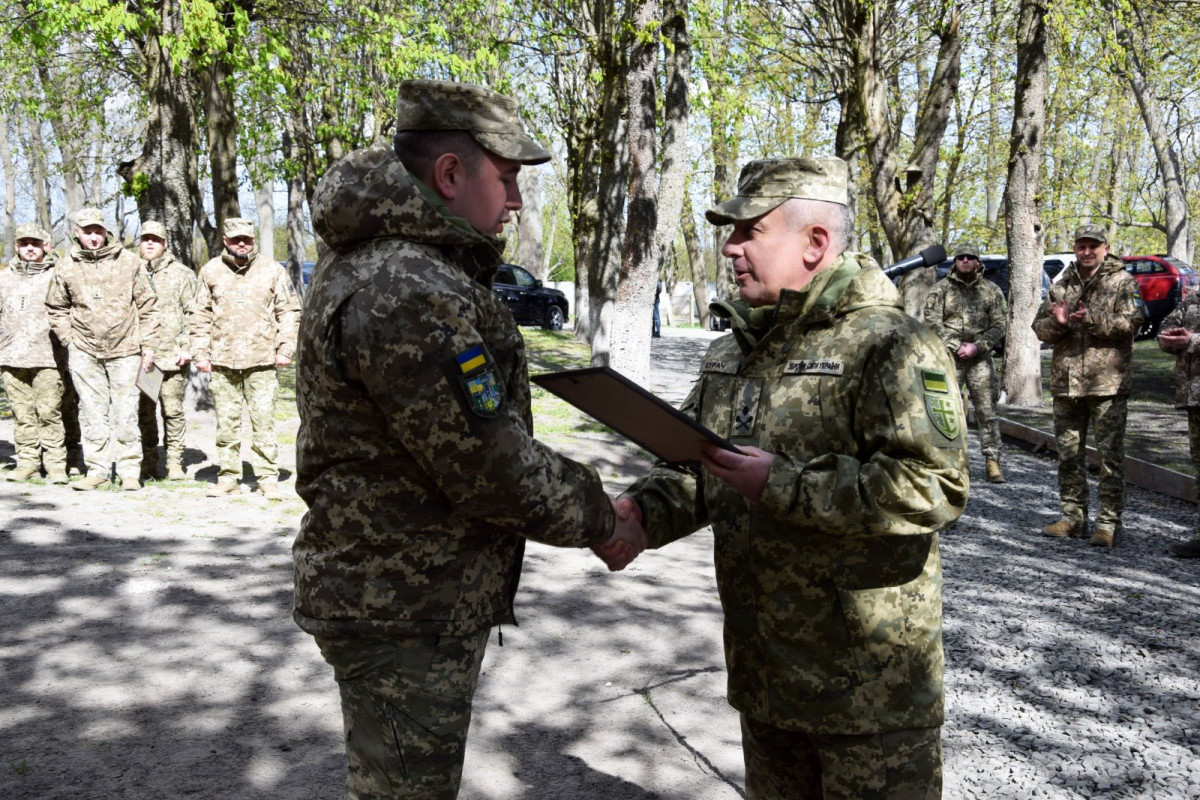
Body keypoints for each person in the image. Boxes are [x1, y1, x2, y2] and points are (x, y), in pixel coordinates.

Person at [291, 79, 645, 800]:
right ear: (451, 175)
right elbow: (492, 469)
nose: (515, 201)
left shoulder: (399, 265)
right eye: (507, 178)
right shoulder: (409, 287)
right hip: (402, 603)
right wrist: (604, 518)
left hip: (405, 593)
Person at [615, 156, 969, 798]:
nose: (729, 247)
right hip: (767, 679)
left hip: (869, 695)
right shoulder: (735, 351)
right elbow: (701, 467)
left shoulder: (892, 345)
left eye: (749, 231)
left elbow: (935, 485)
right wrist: (642, 515)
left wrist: (784, 485)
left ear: (815, 243)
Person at [1033, 224, 1143, 547]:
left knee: (1110, 458)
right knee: (1068, 455)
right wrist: (1060, 323)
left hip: (1107, 384)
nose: (1087, 252)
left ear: (1105, 249)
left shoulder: (1122, 281)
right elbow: (1039, 327)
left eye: (1093, 246)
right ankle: (1073, 518)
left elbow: (1132, 322)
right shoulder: (1061, 284)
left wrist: (1091, 319)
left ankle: (1107, 524)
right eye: (1081, 246)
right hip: (1068, 385)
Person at [45, 208, 158, 491]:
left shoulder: (130, 262)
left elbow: (148, 306)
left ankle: (130, 471)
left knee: (126, 412)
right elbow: (56, 307)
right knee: (92, 412)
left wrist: (149, 345)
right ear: (77, 233)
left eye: (98, 231)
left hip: (126, 349)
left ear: (106, 231)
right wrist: (69, 339)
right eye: (87, 232)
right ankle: (97, 470)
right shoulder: (66, 266)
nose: (94, 237)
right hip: (84, 350)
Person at [190, 217, 300, 499]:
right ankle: (228, 476)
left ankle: (267, 478)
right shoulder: (211, 271)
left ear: (253, 240)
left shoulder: (272, 271)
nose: (242, 243)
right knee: (227, 423)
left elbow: (289, 312)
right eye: (236, 239)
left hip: (262, 361)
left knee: (263, 422)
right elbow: (199, 315)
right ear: (225, 240)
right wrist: (201, 352)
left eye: (247, 239)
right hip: (223, 361)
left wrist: (285, 348)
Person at [923, 243, 1008, 483]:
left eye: (971, 257)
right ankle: (951, 462)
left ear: (978, 262)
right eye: (961, 257)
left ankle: (992, 461)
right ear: (954, 261)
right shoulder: (940, 290)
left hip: (980, 359)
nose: (965, 260)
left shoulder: (991, 290)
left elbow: (999, 323)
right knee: (945, 411)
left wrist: (977, 346)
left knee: (987, 411)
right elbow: (932, 321)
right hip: (949, 357)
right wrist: (956, 345)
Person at [0, 223, 69, 483]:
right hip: (11, 356)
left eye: (36, 243)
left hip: (48, 357)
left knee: (50, 412)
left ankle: (55, 465)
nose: (30, 248)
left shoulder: (59, 274)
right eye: (25, 243)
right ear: (17, 246)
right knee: (22, 414)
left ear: (45, 246)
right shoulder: (4, 278)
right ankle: (28, 461)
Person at [136, 221, 198, 481]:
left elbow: (193, 313)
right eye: (145, 239)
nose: (149, 243)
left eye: (155, 239)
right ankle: (149, 461)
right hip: (145, 359)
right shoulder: (132, 271)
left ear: (165, 244)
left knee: (172, 412)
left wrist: (187, 347)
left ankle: (174, 463)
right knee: (145, 413)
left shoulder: (182, 274)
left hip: (173, 357)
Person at [1157, 297, 1200, 558]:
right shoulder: (1194, 299)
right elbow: (1166, 326)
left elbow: (1190, 340)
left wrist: (1192, 341)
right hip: (1195, 400)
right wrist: (1169, 338)